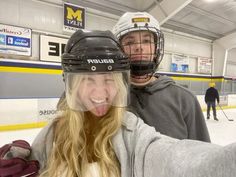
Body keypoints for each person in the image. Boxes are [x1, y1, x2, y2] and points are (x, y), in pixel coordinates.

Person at [1, 29, 236, 177]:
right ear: (70, 85)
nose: (100, 92)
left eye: (109, 79)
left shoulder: (132, 135)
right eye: (88, 80)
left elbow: (181, 160)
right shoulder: (52, 135)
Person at [112, 12, 210, 142]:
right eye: (130, 42)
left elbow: (202, 154)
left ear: (156, 47)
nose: (139, 47)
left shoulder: (184, 99)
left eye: (146, 41)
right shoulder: (108, 96)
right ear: (119, 50)